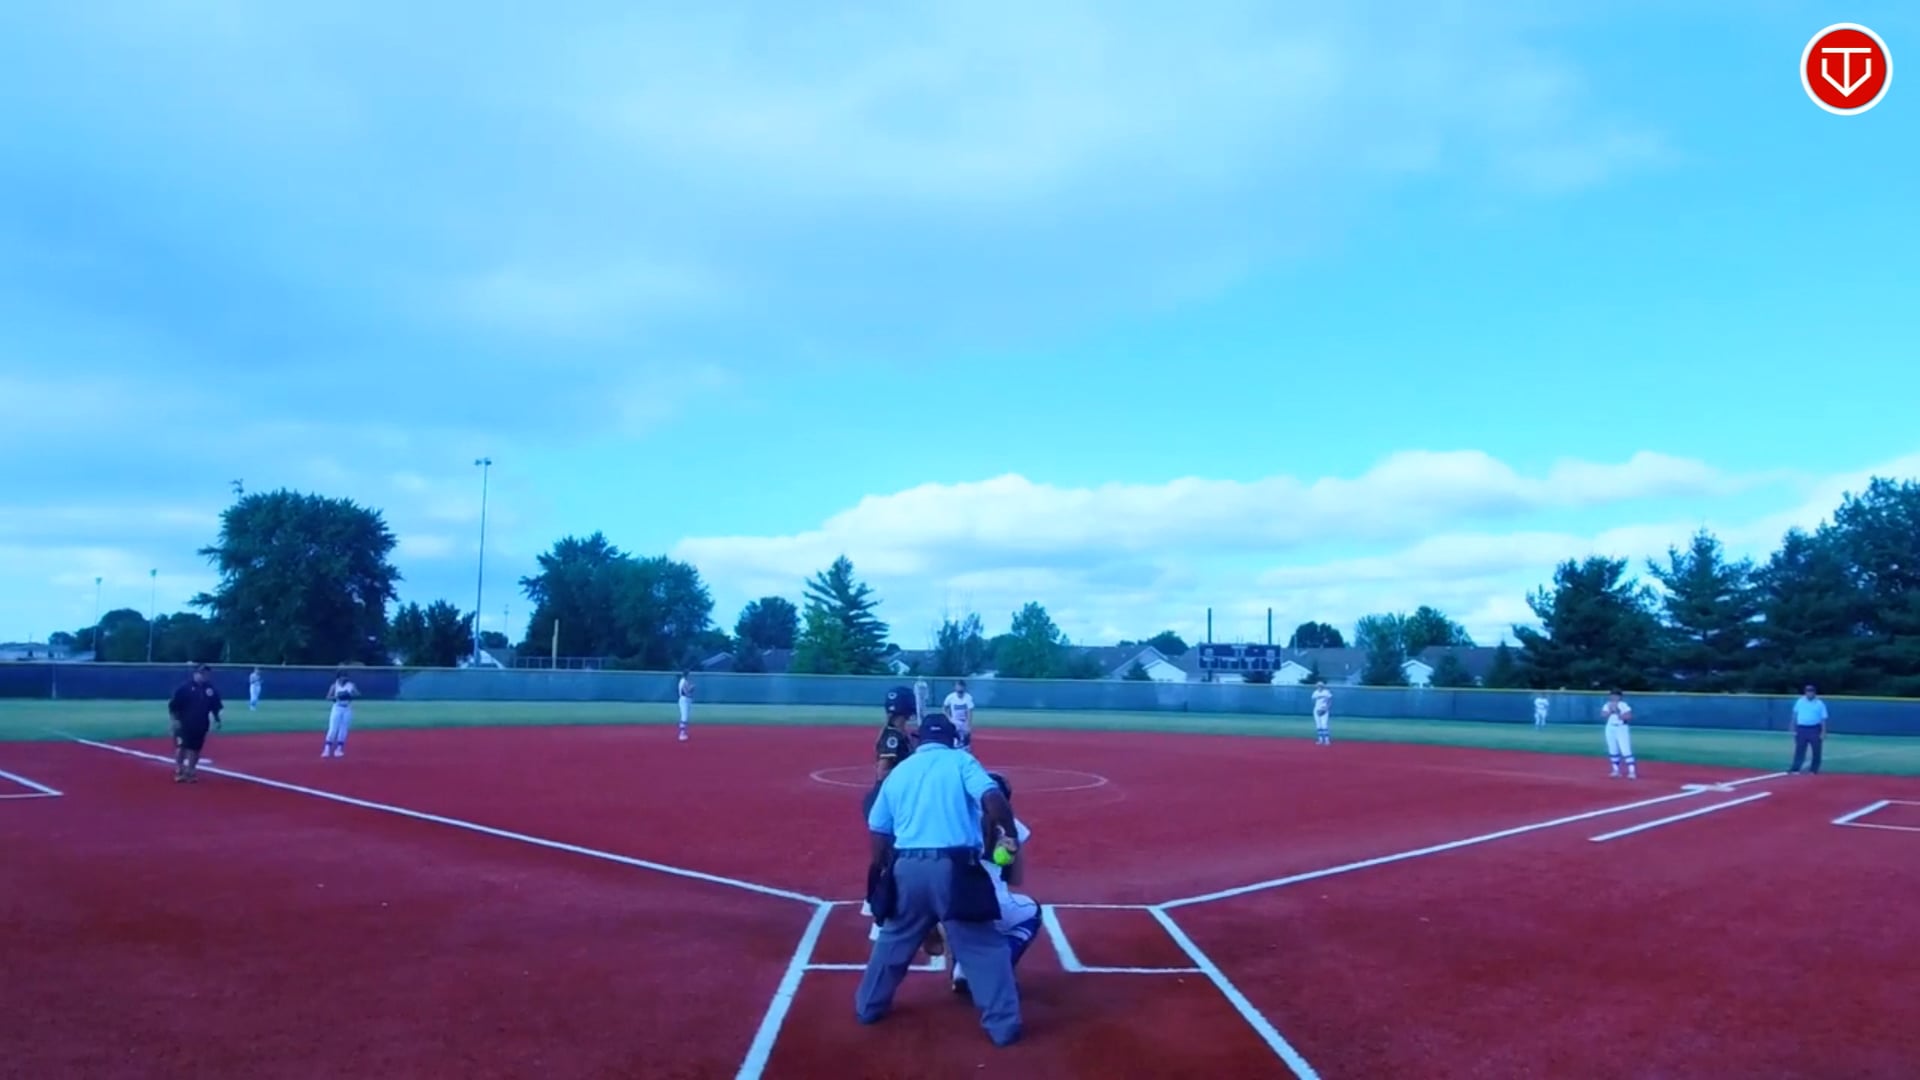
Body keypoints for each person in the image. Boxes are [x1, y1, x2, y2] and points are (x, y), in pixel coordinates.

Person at [857, 705, 1022, 1048]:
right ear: (951, 738)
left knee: (893, 941)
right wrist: (1009, 834)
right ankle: (1002, 1027)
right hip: (955, 869)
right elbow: (992, 797)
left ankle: (868, 1007)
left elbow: (878, 828)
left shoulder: (900, 771)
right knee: (983, 948)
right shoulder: (962, 761)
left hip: (907, 868)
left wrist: (883, 872)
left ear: (919, 740)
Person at [951, 771, 1040, 998]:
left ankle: (962, 968)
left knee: (958, 918)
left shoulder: (954, 821)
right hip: (992, 907)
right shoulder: (1012, 827)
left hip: (947, 906)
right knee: (1032, 911)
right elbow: (1016, 879)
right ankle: (997, 971)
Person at [167, 664, 223, 783]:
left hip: (201, 724)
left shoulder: (210, 690)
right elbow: (173, 706)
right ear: (195, 674)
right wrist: (174, 721)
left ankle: (190, 770)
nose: (204, 676)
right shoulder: (184, 689)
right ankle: (179, 770)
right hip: (184, 723)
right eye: (202, 673)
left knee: (195, 748)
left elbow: (215, 706)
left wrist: (217, 719)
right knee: (181, 747)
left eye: (206, 674)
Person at [1789, 684, 1829, 775]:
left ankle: (1814, 770)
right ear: (1805, 692)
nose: (1809, 693)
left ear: (1814, 693)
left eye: (1811, 691)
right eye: (1808, 691)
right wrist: (1792, 725)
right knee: (1800, 749)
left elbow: (1823, 718)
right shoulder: (1800, 701)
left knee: (1816, 750)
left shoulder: (1819, 703)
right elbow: (1795, 714)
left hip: (1814, 728)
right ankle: (1795, 768)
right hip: (1801, 728)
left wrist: (1824, 731)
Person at [1601, 689, 1637, 779]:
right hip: (1610, 728)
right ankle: (1615, 770)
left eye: (1616, 695)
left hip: (1621, 728)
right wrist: (1610, 710)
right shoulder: (1607, 705)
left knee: (1625, 749)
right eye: (1612, 695)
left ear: (1620, 697)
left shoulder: (1623, 705)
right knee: (1612, 749)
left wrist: (1617, 711)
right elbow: (1603, 715)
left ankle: (1632, 771)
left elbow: (1629, 716)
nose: (1613, 697)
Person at [323, 669, 358, 758]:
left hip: (347, 709)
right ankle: (327, 749)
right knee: (333, 729)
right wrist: (337, 697)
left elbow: (357, 694)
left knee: (343, 729)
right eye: (342, 676)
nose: (344, 678)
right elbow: (327, 697)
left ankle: (339, 749)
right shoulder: (334, 686)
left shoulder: (351, 685)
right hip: (337, 708)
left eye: (345, 676)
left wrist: (350, 695)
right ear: (338, 677)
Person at [943, 680, 977, 750]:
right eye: (958, 691)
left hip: (964, 721)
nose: (960, 693)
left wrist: (968, 724)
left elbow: (969, 711)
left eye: (961, 691)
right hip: (954, 720)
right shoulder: (950, 697)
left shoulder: (968, 697)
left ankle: (965, 749)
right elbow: (944, 708)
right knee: (956, 740)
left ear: (964, 688)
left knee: (966, 739)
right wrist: (949, 718)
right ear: (955, 688)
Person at [676, 671, 694, 742]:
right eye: (689, 674)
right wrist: (692, 687)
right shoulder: (684, 681)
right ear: (686, 675)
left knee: (684, 716)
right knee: (684, 717)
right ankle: (681, 734)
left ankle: (683, 733)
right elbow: (686, 692)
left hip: (684, 699)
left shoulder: (682, 681)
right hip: (685, 700)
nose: (690, 676)